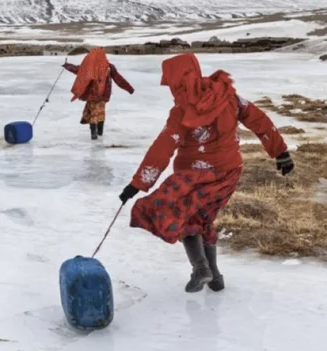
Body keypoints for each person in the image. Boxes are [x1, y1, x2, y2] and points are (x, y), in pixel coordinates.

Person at [118, 52, 294, 293]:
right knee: (205, 218)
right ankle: (215, 277)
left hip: (194, 176)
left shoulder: (181, 113)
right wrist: (280, 152)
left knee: (186, 217)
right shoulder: (229, 96)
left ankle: (201, 268)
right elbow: (259, 120)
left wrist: (138, 184)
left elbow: (163, 146)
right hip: (229, 173)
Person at [63, 47, 134, 140]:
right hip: (103, 96)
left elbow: (78, 70)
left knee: (94, 113)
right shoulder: (109, 67)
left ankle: (94, 134)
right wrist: (129, 88)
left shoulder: (90, 67)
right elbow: (119, 79)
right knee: (101, 113)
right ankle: (99, 133)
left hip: (92, 95)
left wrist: (67, 66)